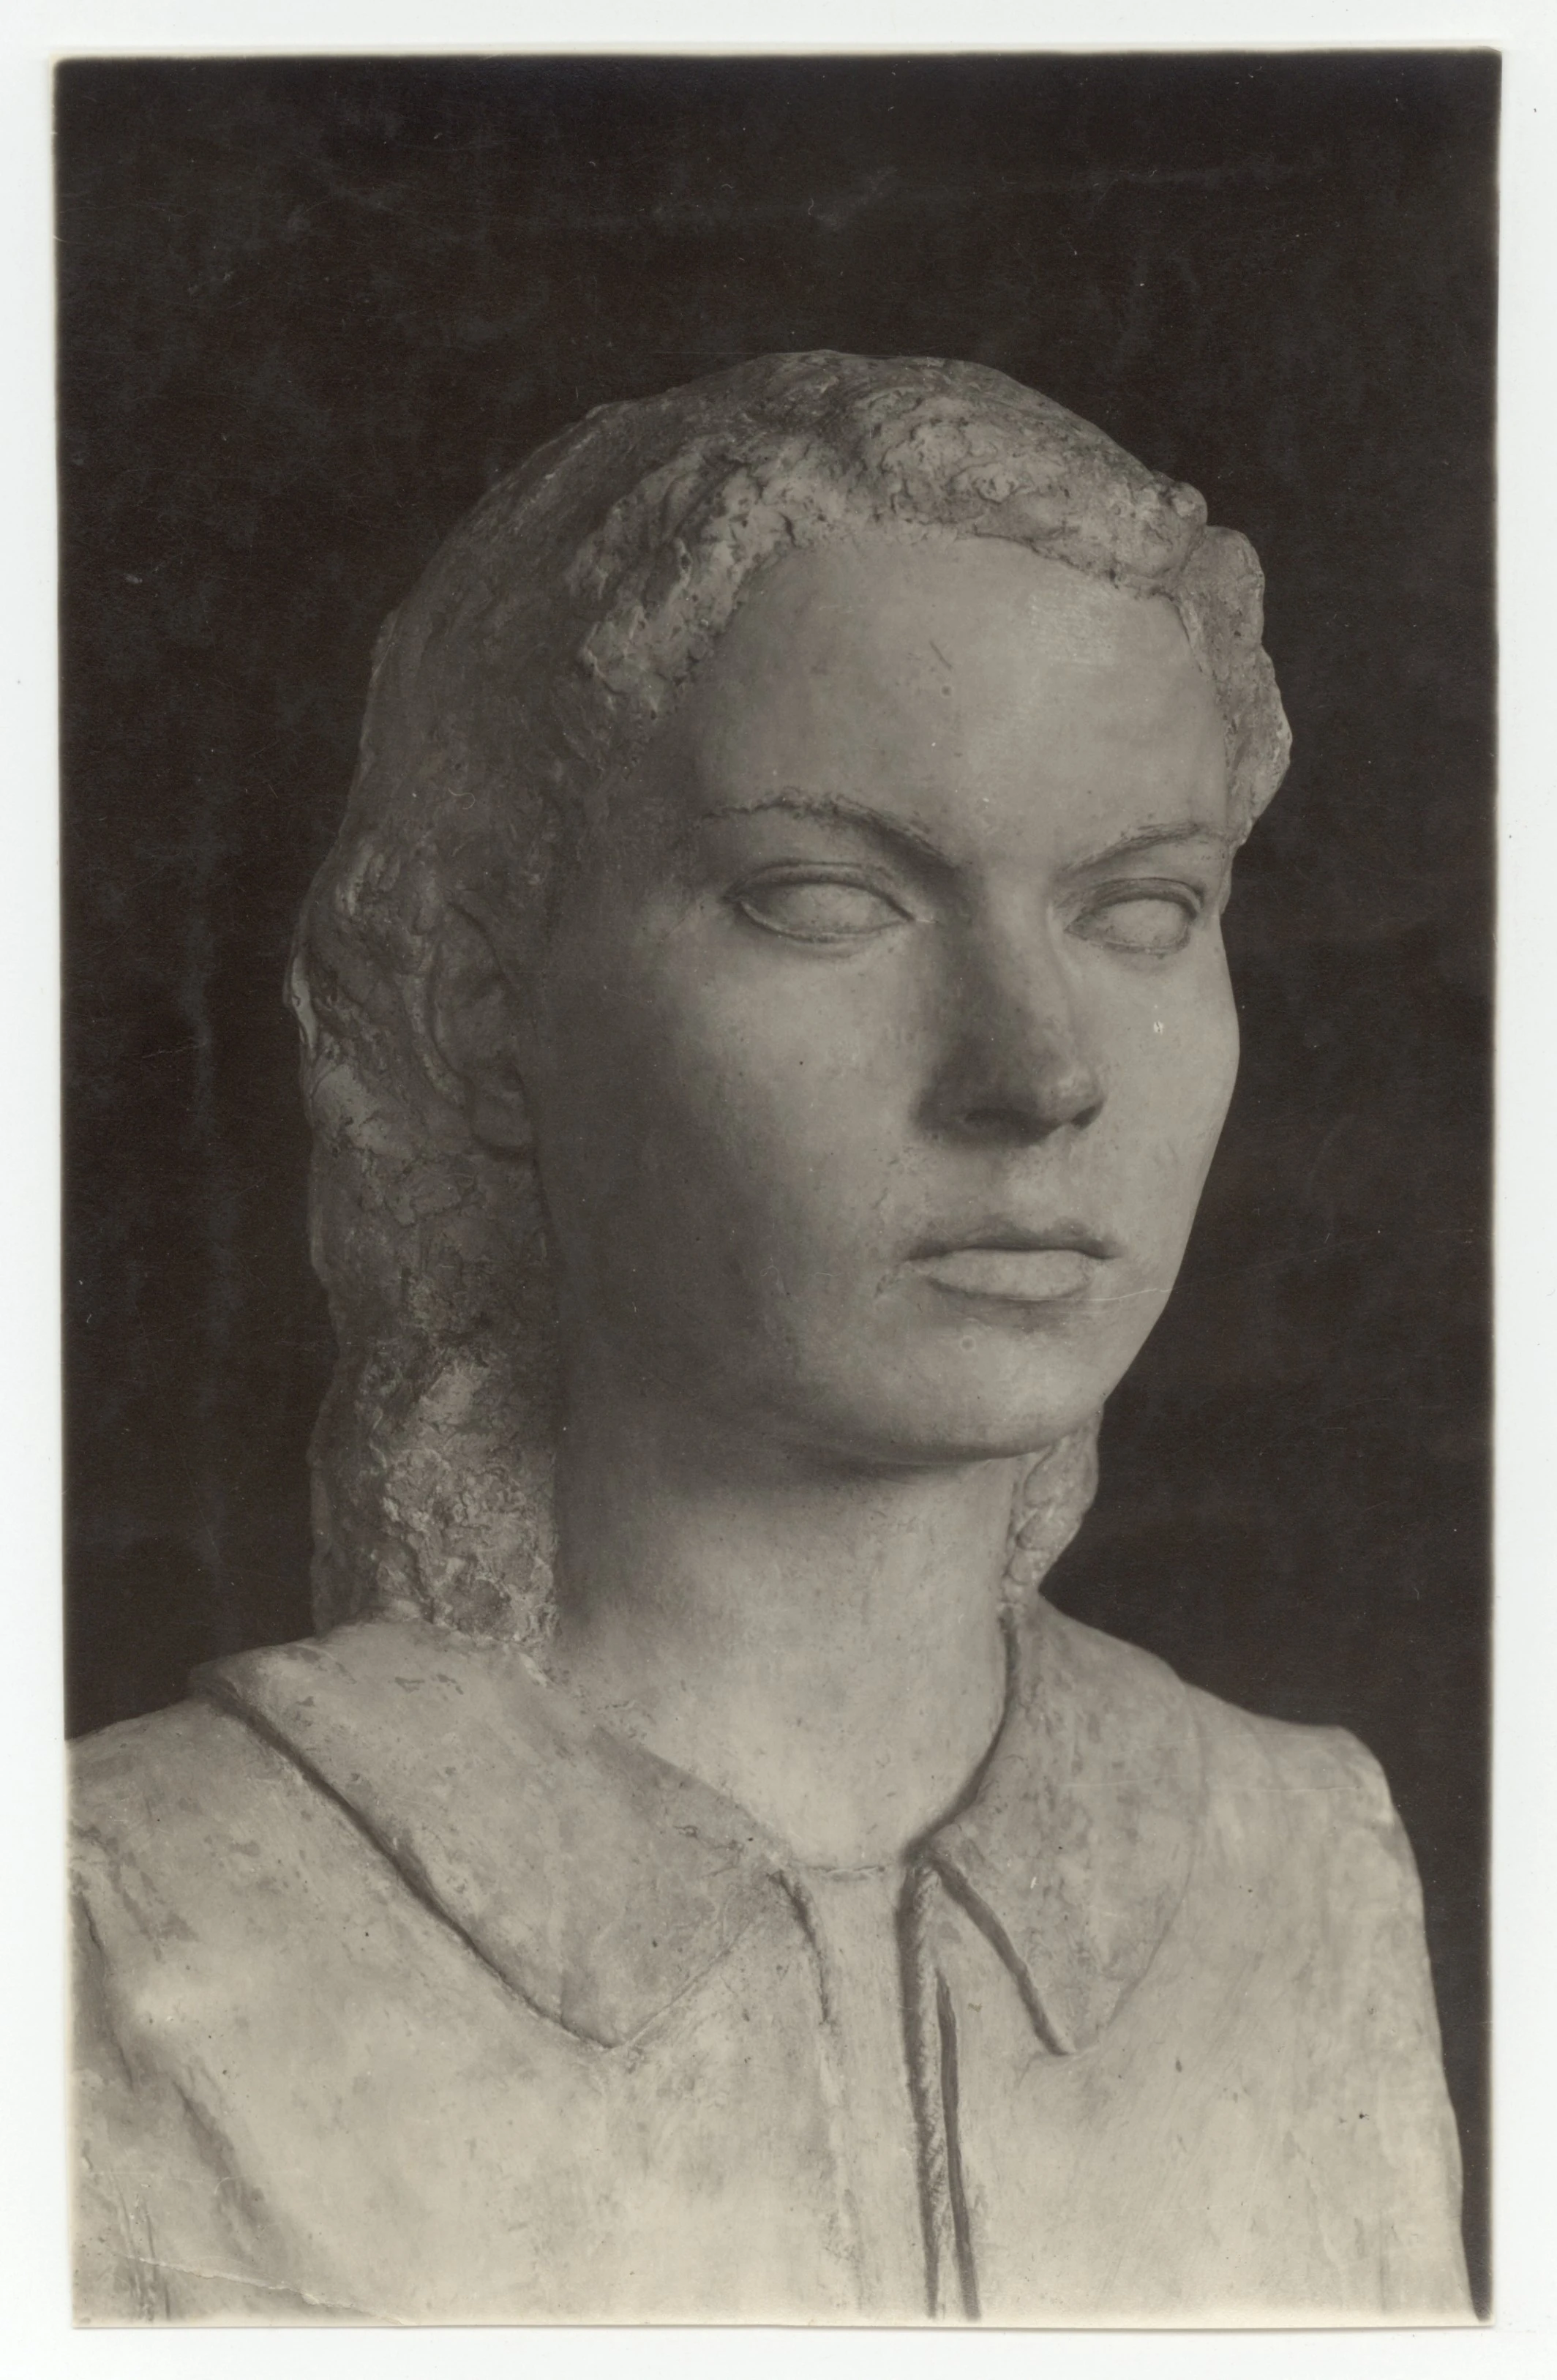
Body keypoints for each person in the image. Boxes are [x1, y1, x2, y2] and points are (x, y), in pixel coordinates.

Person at [70, 352, 1471, 2325]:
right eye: (829, 900)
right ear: (481, 1009)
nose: (1041, 1073)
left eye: (1145, 909)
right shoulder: (125, 1919)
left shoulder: (1300, 1865)